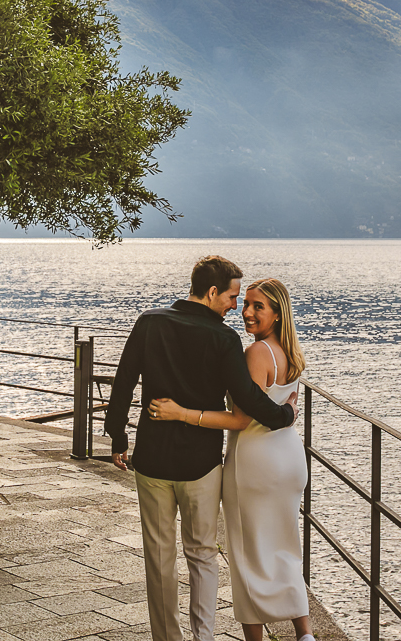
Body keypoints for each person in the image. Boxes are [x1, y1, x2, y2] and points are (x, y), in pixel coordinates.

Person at [105, 256, 298, 641]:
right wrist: (286, 415)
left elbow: (124, 379)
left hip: (153, 459)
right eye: (231, 297)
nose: (235, 307)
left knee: (159, 558)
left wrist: (118, 437)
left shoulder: (149, 321)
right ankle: (203, 637)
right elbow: (248, 399)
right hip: (202, 465)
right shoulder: (224, 339)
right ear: (212, 292)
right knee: (203, 555)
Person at [150, 278, 313, 641]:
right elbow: (287, 406)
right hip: (289, 458)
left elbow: (241, 419)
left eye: (258, 306)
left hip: (255, 463)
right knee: (285, 546)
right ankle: (305, 634)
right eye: (246, 303)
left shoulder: (256, 353)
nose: (248, 312)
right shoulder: (291, 352)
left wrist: (181, 413)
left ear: (276, 313)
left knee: (246, 555)